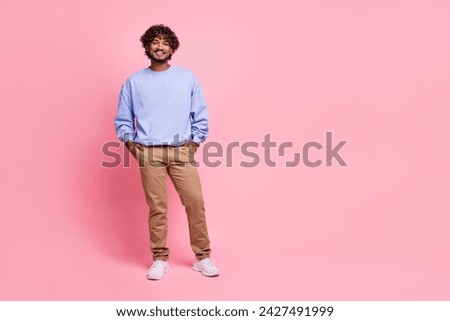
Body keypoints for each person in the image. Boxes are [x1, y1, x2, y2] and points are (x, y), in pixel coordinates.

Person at [114, 24, 219, 280]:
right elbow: (123, 119)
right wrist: (131, 144)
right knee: (157, 208)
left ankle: (202, 256)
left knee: (195, 202)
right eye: (155, 42)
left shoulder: (187, 78)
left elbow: (200, 115)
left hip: (181, 151)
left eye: (165, 43)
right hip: (149, 152)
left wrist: (193, 143)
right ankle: (160, 259)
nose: (160, 47)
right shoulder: (134, 82)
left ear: (172, 48)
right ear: (147, 46)